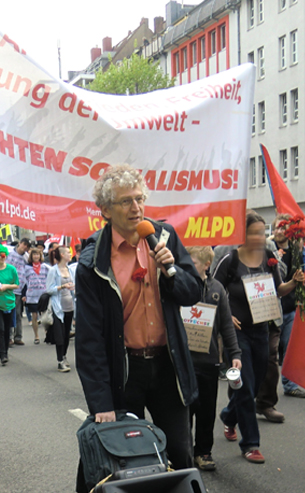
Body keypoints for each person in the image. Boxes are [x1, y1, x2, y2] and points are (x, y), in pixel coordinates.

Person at [75, 164, 203, 482]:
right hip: (125, 373)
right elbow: (89, 339)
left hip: (166, 367)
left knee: (179, 455)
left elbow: (192, 293)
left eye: (140, 198)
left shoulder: (163, 237)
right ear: (105, 210)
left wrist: (172, 271)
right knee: (120, 463)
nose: (136, 208)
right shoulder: (93, 262)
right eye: (126, 201)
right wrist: (100, 403)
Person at [212, 211, 303, 463]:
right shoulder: (230, 259)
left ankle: (229, 416)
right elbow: (211, 291)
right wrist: (225, 317)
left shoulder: (270, 257)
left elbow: (279, 290)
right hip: (236, 333)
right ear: (242, 234)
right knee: (246, 384)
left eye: (262, 233)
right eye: (253, 232)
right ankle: (250, 443)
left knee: (257, 378)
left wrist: (294, 282)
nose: (259, 237)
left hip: (262, 328)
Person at [186, 246, 241, 472]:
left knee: (206, 410)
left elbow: (226, 325)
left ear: (207, 264)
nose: (189, 268)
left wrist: (235, 354)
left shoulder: (217, 289)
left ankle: (203, 452)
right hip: (184, 362)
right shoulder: (180, 287)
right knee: (183, 411)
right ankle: (184, 451)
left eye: (194, 264)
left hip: (208, 361)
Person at [255, 214, 305, 423]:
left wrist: (297, 282)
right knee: (258, 359)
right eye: (276, 228)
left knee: (280, 351)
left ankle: (278, 393)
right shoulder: (265, 250)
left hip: (285, 309)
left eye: (283, 229)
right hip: (260, 312)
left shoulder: (296, 251)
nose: (278, 232)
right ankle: (238, 406)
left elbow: (282, 284)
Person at [47, 245, 77, 372]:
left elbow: (74, 285)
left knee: (66, 335)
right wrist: (62, 287)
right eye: (68, 253)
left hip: (70, 305)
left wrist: (73, 287)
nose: (70, 255)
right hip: (58, 307)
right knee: (60, 335)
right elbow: (49, 289)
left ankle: (64, 356)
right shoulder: (53, 270)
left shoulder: (70, 270)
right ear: (62, 255)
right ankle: (60, 360)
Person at [22, 247, 49, 344]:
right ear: (31, 256)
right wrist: (23, 294)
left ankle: (47, 334)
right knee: (34, 316)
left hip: (43, 294)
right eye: (34, 254)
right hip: (32, 294)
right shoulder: (27, 268)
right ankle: (36, 336)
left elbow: (49, 279)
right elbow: (24, 281)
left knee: (45, 316)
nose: (36, 256)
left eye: (38, 254)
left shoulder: (45, 266)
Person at [8, 238, 32, 346]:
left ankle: (18, 336)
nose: (24, 247)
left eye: (27, 246)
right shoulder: (9, 253)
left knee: (18, 314)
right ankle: (9, 337)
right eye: (24, 244)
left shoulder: (26, 257)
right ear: (19, 244)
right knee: (9, 313)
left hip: (19, 288)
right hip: (8, 287)